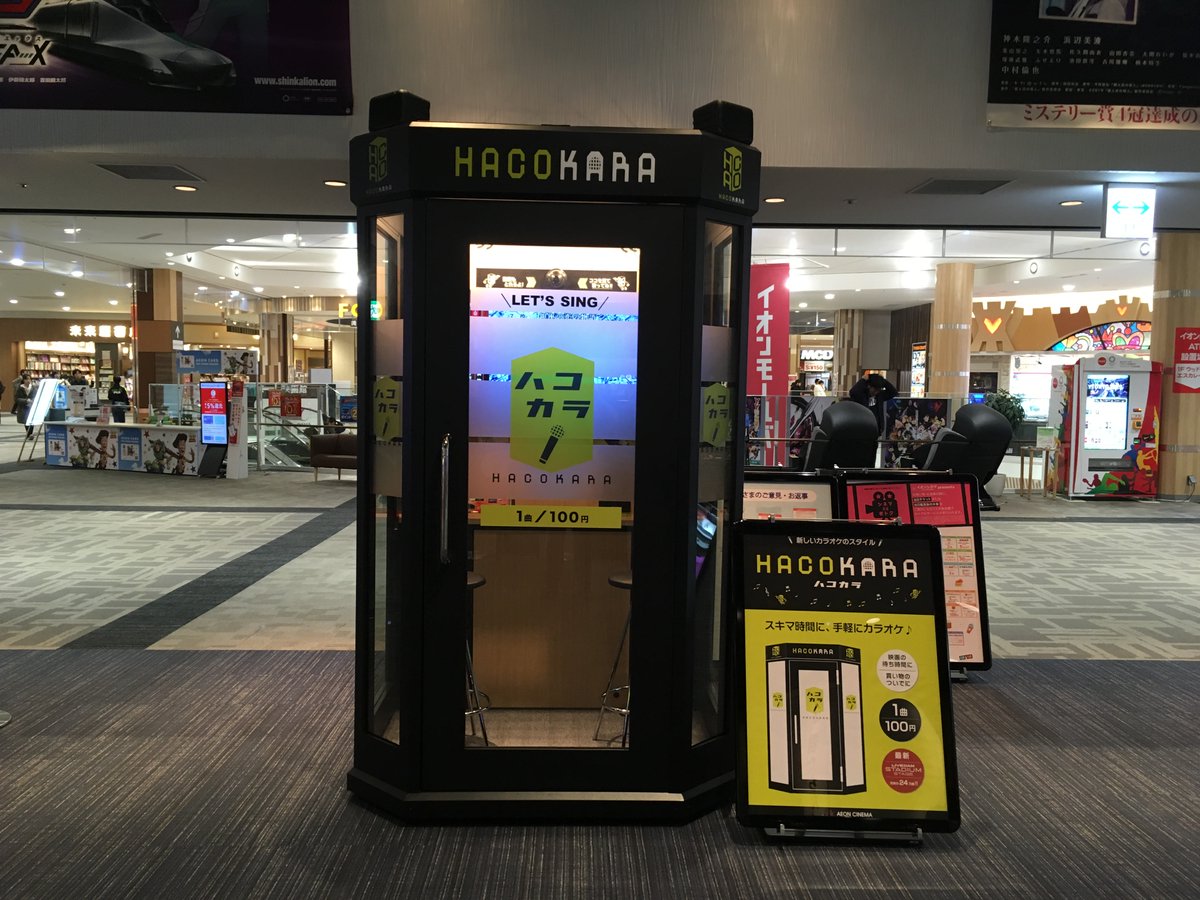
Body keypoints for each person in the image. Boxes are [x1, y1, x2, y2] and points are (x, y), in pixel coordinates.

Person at [15, 374, 35, 438]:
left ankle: (30, 434)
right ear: (23, 380)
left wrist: (33, 400)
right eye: (26, 379)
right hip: (23, 407)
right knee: (25, 420)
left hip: (31, 406)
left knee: (32, 420)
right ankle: (29, 434)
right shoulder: (20, 388)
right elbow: (17, 399)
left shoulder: (33, 387)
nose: (28, 380)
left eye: (29, 379)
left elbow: (36, 395)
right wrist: (25, 400)